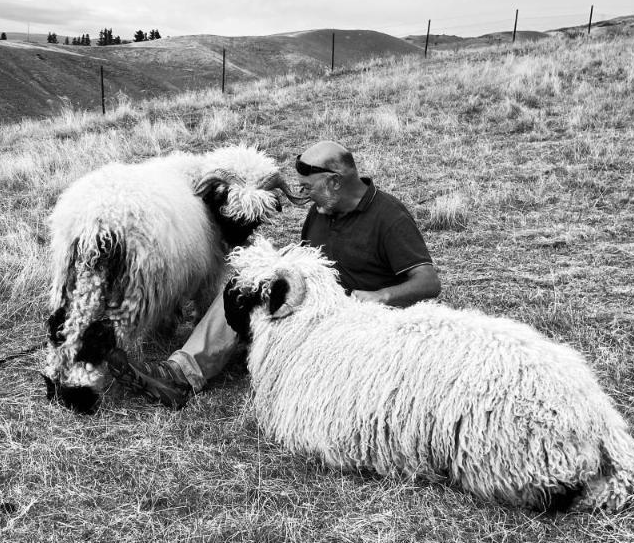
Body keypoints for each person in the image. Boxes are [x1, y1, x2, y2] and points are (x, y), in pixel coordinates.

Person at [107, 140, 441, 406]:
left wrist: (380, 296)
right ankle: (179, 374)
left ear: (336, 182)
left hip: (357, 319)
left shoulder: (390, 217)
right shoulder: (322, 213)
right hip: (313, 306)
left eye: (308, 187)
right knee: (243, 288)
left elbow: (428, 282)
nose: (303, 195)